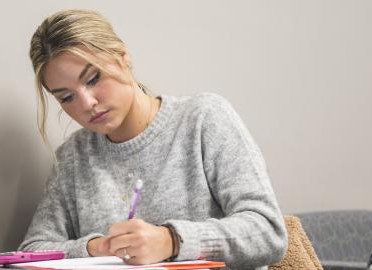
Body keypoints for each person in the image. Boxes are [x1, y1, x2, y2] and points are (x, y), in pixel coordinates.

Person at [18, 9, 288, 269]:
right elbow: (33, 249)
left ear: (122, 57)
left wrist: (172, 241)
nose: (87, 103)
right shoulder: (73, 157)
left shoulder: (203, 118)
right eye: (66, 97)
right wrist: (94, 247)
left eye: (93, 78)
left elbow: (268, 232)